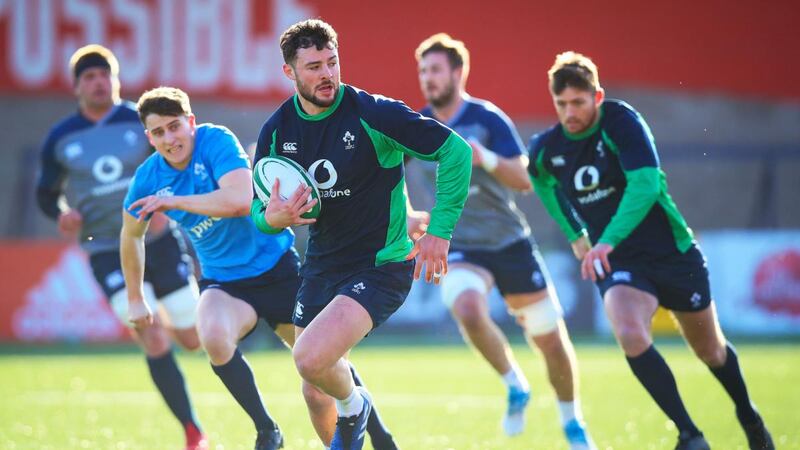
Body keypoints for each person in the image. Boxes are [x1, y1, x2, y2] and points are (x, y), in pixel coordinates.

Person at [122, 86, 398, 450]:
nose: (170, 139)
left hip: (277, 270)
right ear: (149, 137)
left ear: (191, 122)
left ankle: (382, 440)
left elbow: (239, 200)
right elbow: (131, 235)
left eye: (175, 127)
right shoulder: (149, 177)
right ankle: (268, 430)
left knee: (322, 365)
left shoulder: (215, 141)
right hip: (225, 283)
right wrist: (135, 296)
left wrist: (173, 201)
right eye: (159, 133)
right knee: (214, 338)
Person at [528, 51, 775, 450]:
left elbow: (646, 185)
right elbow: (537, 177)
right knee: (628, 331)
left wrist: (603, 240)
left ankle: (748, 415)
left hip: (670, 251)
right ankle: (690, 435)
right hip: (620, 262)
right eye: (561, 105)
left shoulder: (621, 122)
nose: (570, 112)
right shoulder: (547, 147)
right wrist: (575, 231)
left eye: (578, 102)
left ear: (597, 96)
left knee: (710, 350)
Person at [253, 19, 472, 450]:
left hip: (381, 265)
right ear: (289, 73)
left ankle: (356, 407)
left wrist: (440, 231)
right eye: (313, 66)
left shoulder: (373, 112)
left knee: (310, 358)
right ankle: (354, 414)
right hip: (322, 265)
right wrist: (273, 218)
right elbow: (259, 211)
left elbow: (455, 151)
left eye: (332, 62)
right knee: (314, 388)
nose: (327, 74)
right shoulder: (277, 131)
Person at [409, 33, 595, 449]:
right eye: (422, 71)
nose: (428, 79)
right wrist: (403, 215)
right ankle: (515, 384)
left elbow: (526, 179)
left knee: (550, 339)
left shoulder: (487, 119)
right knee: (468, 306)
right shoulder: (418, 128)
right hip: (460, 246)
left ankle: (572, 421)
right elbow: (385, 175)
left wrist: (486, 158)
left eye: (435, 70)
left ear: (458, 73)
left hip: (509, 243)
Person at [35, 45, 207, 450]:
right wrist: (61, 213)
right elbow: (45, 194)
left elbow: (177, 162)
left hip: (160, 242)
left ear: (116, 79)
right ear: (77, 86)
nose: (98, 83)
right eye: (89, 77)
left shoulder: (141, 120)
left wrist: (170, 202)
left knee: (193, 339)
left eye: (104, 75)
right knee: (150, 333)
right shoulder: (60, 137)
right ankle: (192, 431)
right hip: (106, 251)